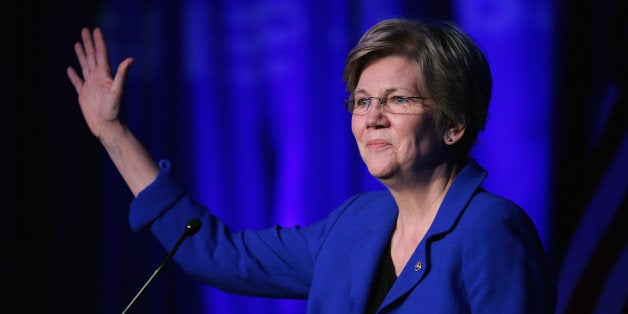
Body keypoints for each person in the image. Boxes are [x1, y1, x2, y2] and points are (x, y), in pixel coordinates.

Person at [67, 18, 557, 313]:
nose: (372, 119)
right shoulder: (354, 226)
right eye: (362, 102)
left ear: (453, 124)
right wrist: (114, 133)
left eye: (397, 99)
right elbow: (213, 254)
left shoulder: (491, 230)